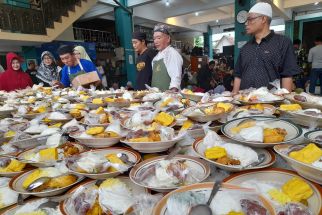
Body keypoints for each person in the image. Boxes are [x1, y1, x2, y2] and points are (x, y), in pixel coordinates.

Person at [232, 2, 300, 93]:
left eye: (250, 19)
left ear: (263, 19)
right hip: (244, 102)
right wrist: (234, 96)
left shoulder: (282, 42)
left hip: (270, 103)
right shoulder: (245, 48)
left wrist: (285, 101)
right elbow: (238, 75)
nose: (246, 23)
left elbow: (287, 74)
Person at [152, 23, 183, 92]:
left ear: (168, 38)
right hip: (156, 97)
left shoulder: (172, 54)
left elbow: (176, 78)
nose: (155, 41)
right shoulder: (155, 58)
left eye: (159, 38)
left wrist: (171, 96)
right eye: (154, 39)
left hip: (168, 99)